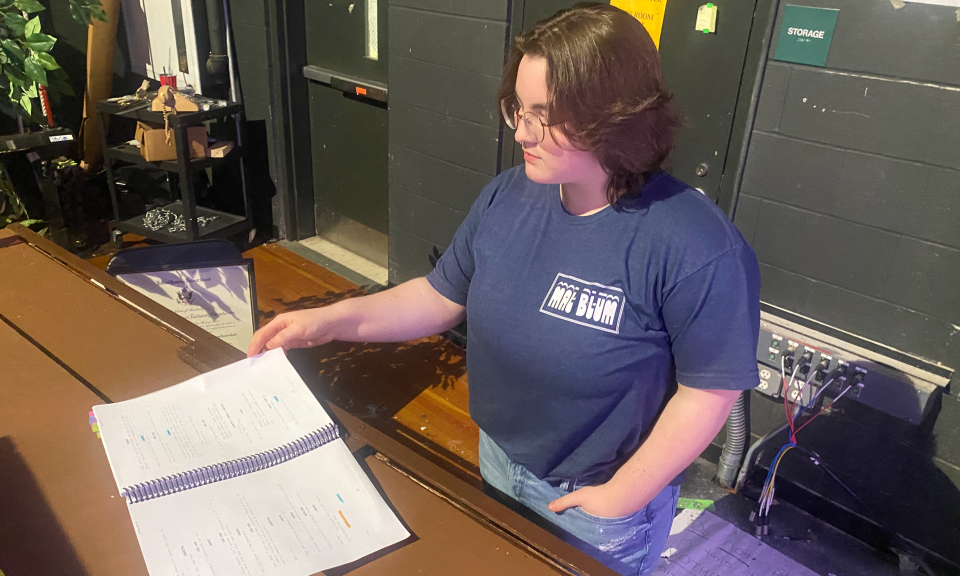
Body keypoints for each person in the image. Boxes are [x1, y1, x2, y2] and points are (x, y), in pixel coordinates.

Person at [247, 4, 760, 574]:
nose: (520, 130)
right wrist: (331, 320)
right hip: (497, 461)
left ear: (614, 116)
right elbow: (440, 296)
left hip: (594, 503)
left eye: (544, 115)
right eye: (518, 106)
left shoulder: (693, 244)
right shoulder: (510, 194)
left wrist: (624, 496)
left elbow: (710, 391)